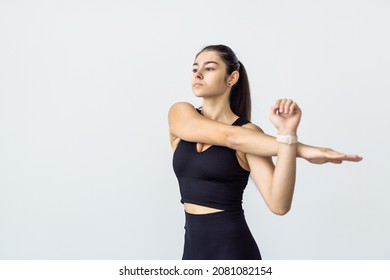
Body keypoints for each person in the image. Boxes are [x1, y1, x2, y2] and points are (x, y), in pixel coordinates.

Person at [168, 44, 362, 260]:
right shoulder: (180, 113)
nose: (199, 74)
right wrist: (302, 150)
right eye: (195, 68)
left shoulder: (251, 135)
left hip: (233, 252)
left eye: (210, 68)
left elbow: (278, 204)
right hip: (192, 252)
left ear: (232, 78)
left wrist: (287, 133)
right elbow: (228, 137)